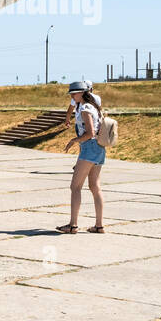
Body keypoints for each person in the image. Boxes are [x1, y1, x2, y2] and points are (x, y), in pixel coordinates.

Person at [58, 80, 106, 234]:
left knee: (75, 186)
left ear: (83, 93)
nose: (72, 95)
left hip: (89, 148)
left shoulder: (85, 108)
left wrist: (74, 140)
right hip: (99, 148)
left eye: (74, 93)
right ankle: (99, 225)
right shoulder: (93, 107)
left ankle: (73, 225)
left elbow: (90, 133)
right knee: (94, 187)